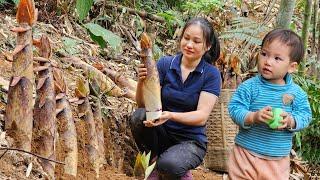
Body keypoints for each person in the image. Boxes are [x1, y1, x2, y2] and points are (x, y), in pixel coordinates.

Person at [130, 17, 222, 180]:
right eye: (186, 38)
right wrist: (141, 81)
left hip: (190, 142)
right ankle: (154, 160)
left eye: (196, 41)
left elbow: (201, 117)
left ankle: (169, 166)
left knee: (170, 165)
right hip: (162, 134)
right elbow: (142, 104)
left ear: (207, 46)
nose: (189, 45)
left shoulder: (211, 74)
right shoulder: (165, 64)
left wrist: (171, 115)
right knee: (138, 116)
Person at [227, 29, 312, 180]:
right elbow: (234, 109)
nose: (268, 61)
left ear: (292, 67)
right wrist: (253, 117)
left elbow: (305, 115)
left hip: (277, 161)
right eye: (264, 54)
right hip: (245, 154)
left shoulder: (296, 93)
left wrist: (291, 121)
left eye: (277, 58)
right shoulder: (249, 87)